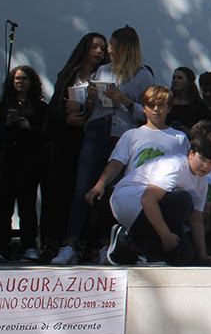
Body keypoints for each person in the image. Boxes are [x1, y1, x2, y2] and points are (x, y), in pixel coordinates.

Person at [53, 26, 154, 266]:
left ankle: (105, 244)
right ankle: (70, 245)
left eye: (112, 44)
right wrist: (87, 101)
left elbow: (150, 113)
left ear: (125, 48)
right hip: (98, 130)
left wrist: (126, 101)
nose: (108, 48)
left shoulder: (143, 76)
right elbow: (94, 106)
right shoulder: (103, 70)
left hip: (123, 135)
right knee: (83, 189)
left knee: (112, 191)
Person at [105, 121, 211, 266]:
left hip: (152, 209)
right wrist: (165, 235)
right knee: (183, 199)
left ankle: (126, 244)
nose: (206, 166)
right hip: (128, 201)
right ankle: (151, 252)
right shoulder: (174, 165)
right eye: (202, 159)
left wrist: (203, 255)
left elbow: (196, 219)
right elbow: (148, 200)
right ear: (192, 154)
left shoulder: (202, 181)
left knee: (185, 257)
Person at [40, 33, 107, 259]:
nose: (99, 51)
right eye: (94, 47)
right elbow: (53, 107)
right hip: (66, 139)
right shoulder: (69, 73)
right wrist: (66, 116)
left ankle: (86, 242)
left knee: (86, 191)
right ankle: (55, 242)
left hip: (92, 139)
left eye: (103, 48)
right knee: (60, 189)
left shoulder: (104, 75)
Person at [0, 66, 48, 262]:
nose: (20, 82)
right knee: (1, 206)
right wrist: (6, 125)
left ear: (32, 82)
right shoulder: (4, 106)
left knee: (27, 206)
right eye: (17, 79)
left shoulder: (40, 107)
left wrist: (29, 127)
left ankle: (28, 246)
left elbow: (46, 134)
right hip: (4, 161)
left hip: (28, 163)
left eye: (24, 78)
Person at [84, 85, 190, 206]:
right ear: (144, 108)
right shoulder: (131, 135)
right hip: (133, 192)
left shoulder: (180, 138)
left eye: (161, 105)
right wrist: (100, 185)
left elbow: (185, 170)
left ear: (169, 108)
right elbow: (116, 163)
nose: (156, 109)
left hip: (163, 194)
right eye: (151, 105)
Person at [168, 67, 209, 132]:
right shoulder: (167, 103)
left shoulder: (199, 106)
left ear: (189, 82)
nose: (175, 80)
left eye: (179, 78)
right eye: (174, 78)